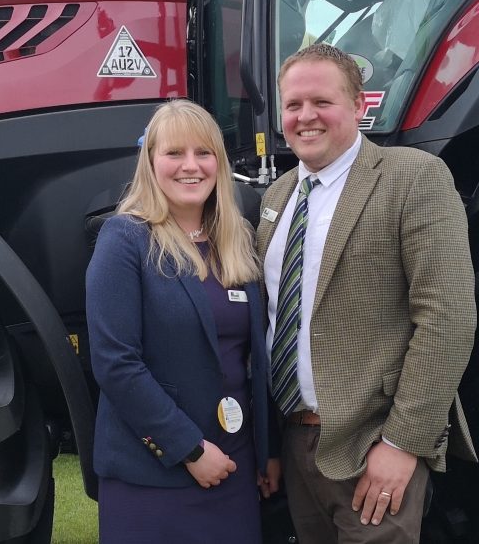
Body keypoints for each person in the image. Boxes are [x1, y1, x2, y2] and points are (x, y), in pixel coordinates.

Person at [258, 43, 477, 543]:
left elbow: (447, 319)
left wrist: (402, 443)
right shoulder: (277, 196)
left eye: (322, 102)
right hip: (295, 441)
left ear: (359, 105)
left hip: (372, 444)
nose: (305, 116)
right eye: (293, 105)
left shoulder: (412, 178)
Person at [86, 99, 279, 544]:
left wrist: (267, 450)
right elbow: (116, 363)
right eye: (174, 153)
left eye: (203, 153)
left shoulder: (237, 241)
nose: (190, 166)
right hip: (154, 476)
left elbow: (254, 358)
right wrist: (188, 449)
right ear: (151, 162)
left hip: (234, 467)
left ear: (219, 163)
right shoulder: (124, 240)